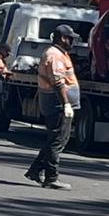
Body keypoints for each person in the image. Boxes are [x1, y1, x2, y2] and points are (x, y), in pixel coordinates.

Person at [25, 25, 81, 190]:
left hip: (57, 102)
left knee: (55, 140)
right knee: (58, 140)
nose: (73, 42)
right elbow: (58, 82)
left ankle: (35, 170)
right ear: (63, 38)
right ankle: (51, 177)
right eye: (71, 38)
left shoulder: (59, 54)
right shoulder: (55, 55)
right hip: (56, 103)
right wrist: (65, 104)